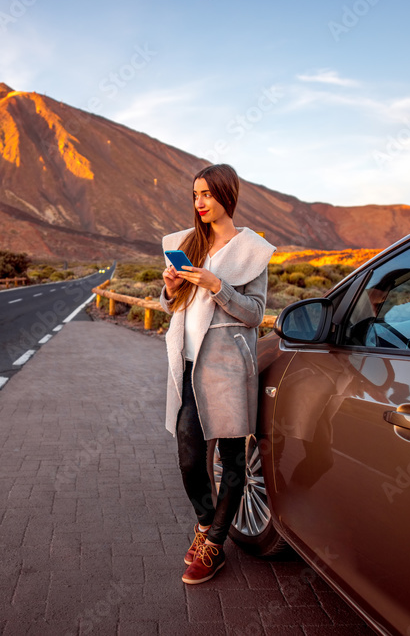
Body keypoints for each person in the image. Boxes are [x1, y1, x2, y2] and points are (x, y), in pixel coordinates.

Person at [159, 163, 275, 584]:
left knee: (231, 459)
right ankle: (206, 523)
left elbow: (255, 314)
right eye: (195, 195)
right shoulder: (187, 243)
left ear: (228, 194)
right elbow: (168, 306)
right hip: (187, 365)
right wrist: (171, 289)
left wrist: (216, 285)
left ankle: (214, 548)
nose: (199, 202)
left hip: (227, 367)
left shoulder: (253, 250)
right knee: (190, 460)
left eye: (207, 193)